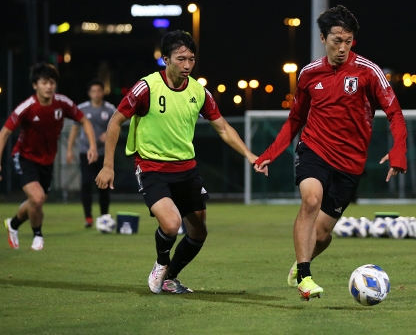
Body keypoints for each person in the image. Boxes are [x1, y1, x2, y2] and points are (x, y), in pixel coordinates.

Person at [253, 5, 407, 301]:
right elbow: (296, 119)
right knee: (311, 200)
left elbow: (395, 114)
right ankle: (305, 276)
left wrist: (398, 152)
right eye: (337, 40)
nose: (342, 48)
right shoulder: (309, 74)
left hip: (350, 163)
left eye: (348, 41)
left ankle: (301, 261)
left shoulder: (368, 71)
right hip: (314, 148)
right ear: (323, 38)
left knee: (322, 234)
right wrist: (271, 151)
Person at [96, 30, 258, 294]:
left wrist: (250, 155)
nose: (187, 65)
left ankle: (170, 278)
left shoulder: (199, 92)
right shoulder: (146, 87)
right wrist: (108, 165)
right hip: (152, 168)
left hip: (187, 170)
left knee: (198, 232)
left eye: (191, 59)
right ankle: (161, 263)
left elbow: (224, 128)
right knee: (171, 224)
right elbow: (115, 120)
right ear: (165, 59)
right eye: (181, 59)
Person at [1, 63, 98, 251]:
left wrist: (92, 145)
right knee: (37, 199)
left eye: (52, 82)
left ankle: (13, 225)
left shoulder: (62, 103)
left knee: (36, 201)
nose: (49, 87)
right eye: (44, 82)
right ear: (35, 85)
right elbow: (4, 133)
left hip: (47, 160)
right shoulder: (27, 107)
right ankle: (38, 235)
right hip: (25, 157)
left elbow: (84, 120)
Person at [66, 79, 117, 228]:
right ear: (89, 93)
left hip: (103, 154)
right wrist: (69, 150)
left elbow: (117, 126)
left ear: (103, 92)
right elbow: (75, 129)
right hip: (85, 153)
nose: (96, 94)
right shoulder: (82, 109)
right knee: (86, 183)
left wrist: (107, 134)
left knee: (104, 186)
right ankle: (88, 217)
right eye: (93, 91)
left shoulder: (109, 109)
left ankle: (104, 216)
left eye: (99, 91)